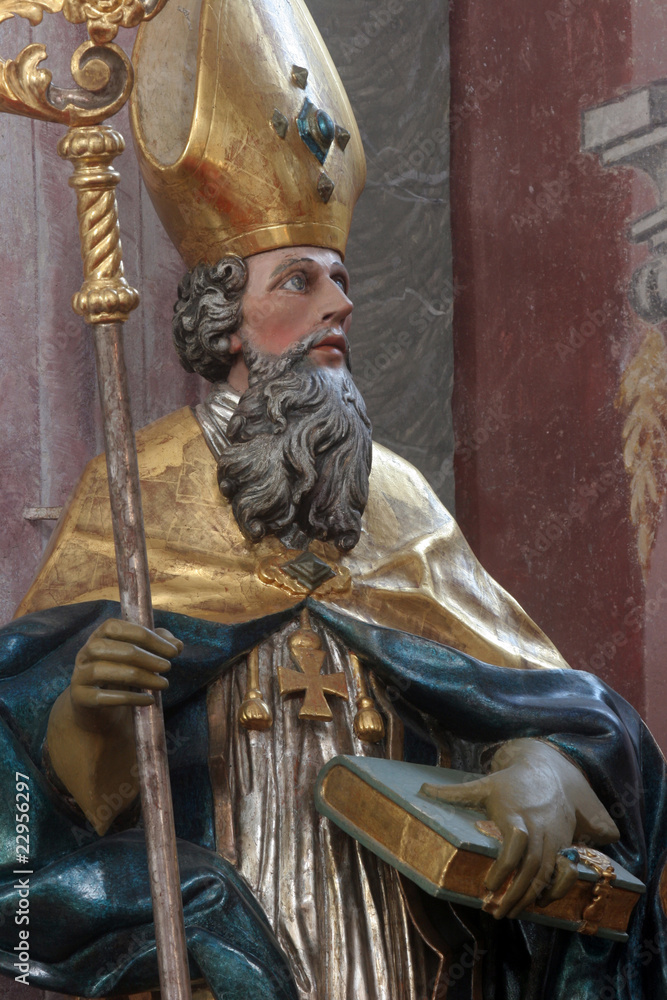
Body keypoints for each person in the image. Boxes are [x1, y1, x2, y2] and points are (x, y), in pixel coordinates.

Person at [1, 0, 666, 997]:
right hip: (221, 939)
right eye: (300, 281)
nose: (339, 304)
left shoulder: (393, 496)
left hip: (408, 943)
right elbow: (26, 788)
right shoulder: (137, 493)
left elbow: (528, 696)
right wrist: (86, 706)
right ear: (224, 320)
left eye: (340, 280)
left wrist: (541, 770)